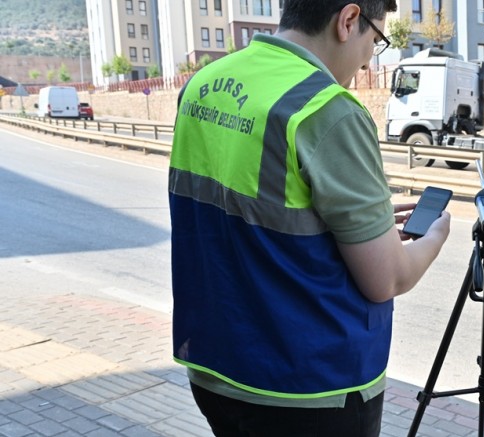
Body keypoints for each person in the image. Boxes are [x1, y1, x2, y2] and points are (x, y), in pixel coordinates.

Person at [168, 1, 451, 435]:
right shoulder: (327, 110)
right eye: (374, 42)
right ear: (349, 20)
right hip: (309, 390)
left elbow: (243, 215)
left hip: (215, 370)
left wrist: (359, 225)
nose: (364, 61)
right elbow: (387, 279)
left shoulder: (202, 85)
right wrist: (434, 235)